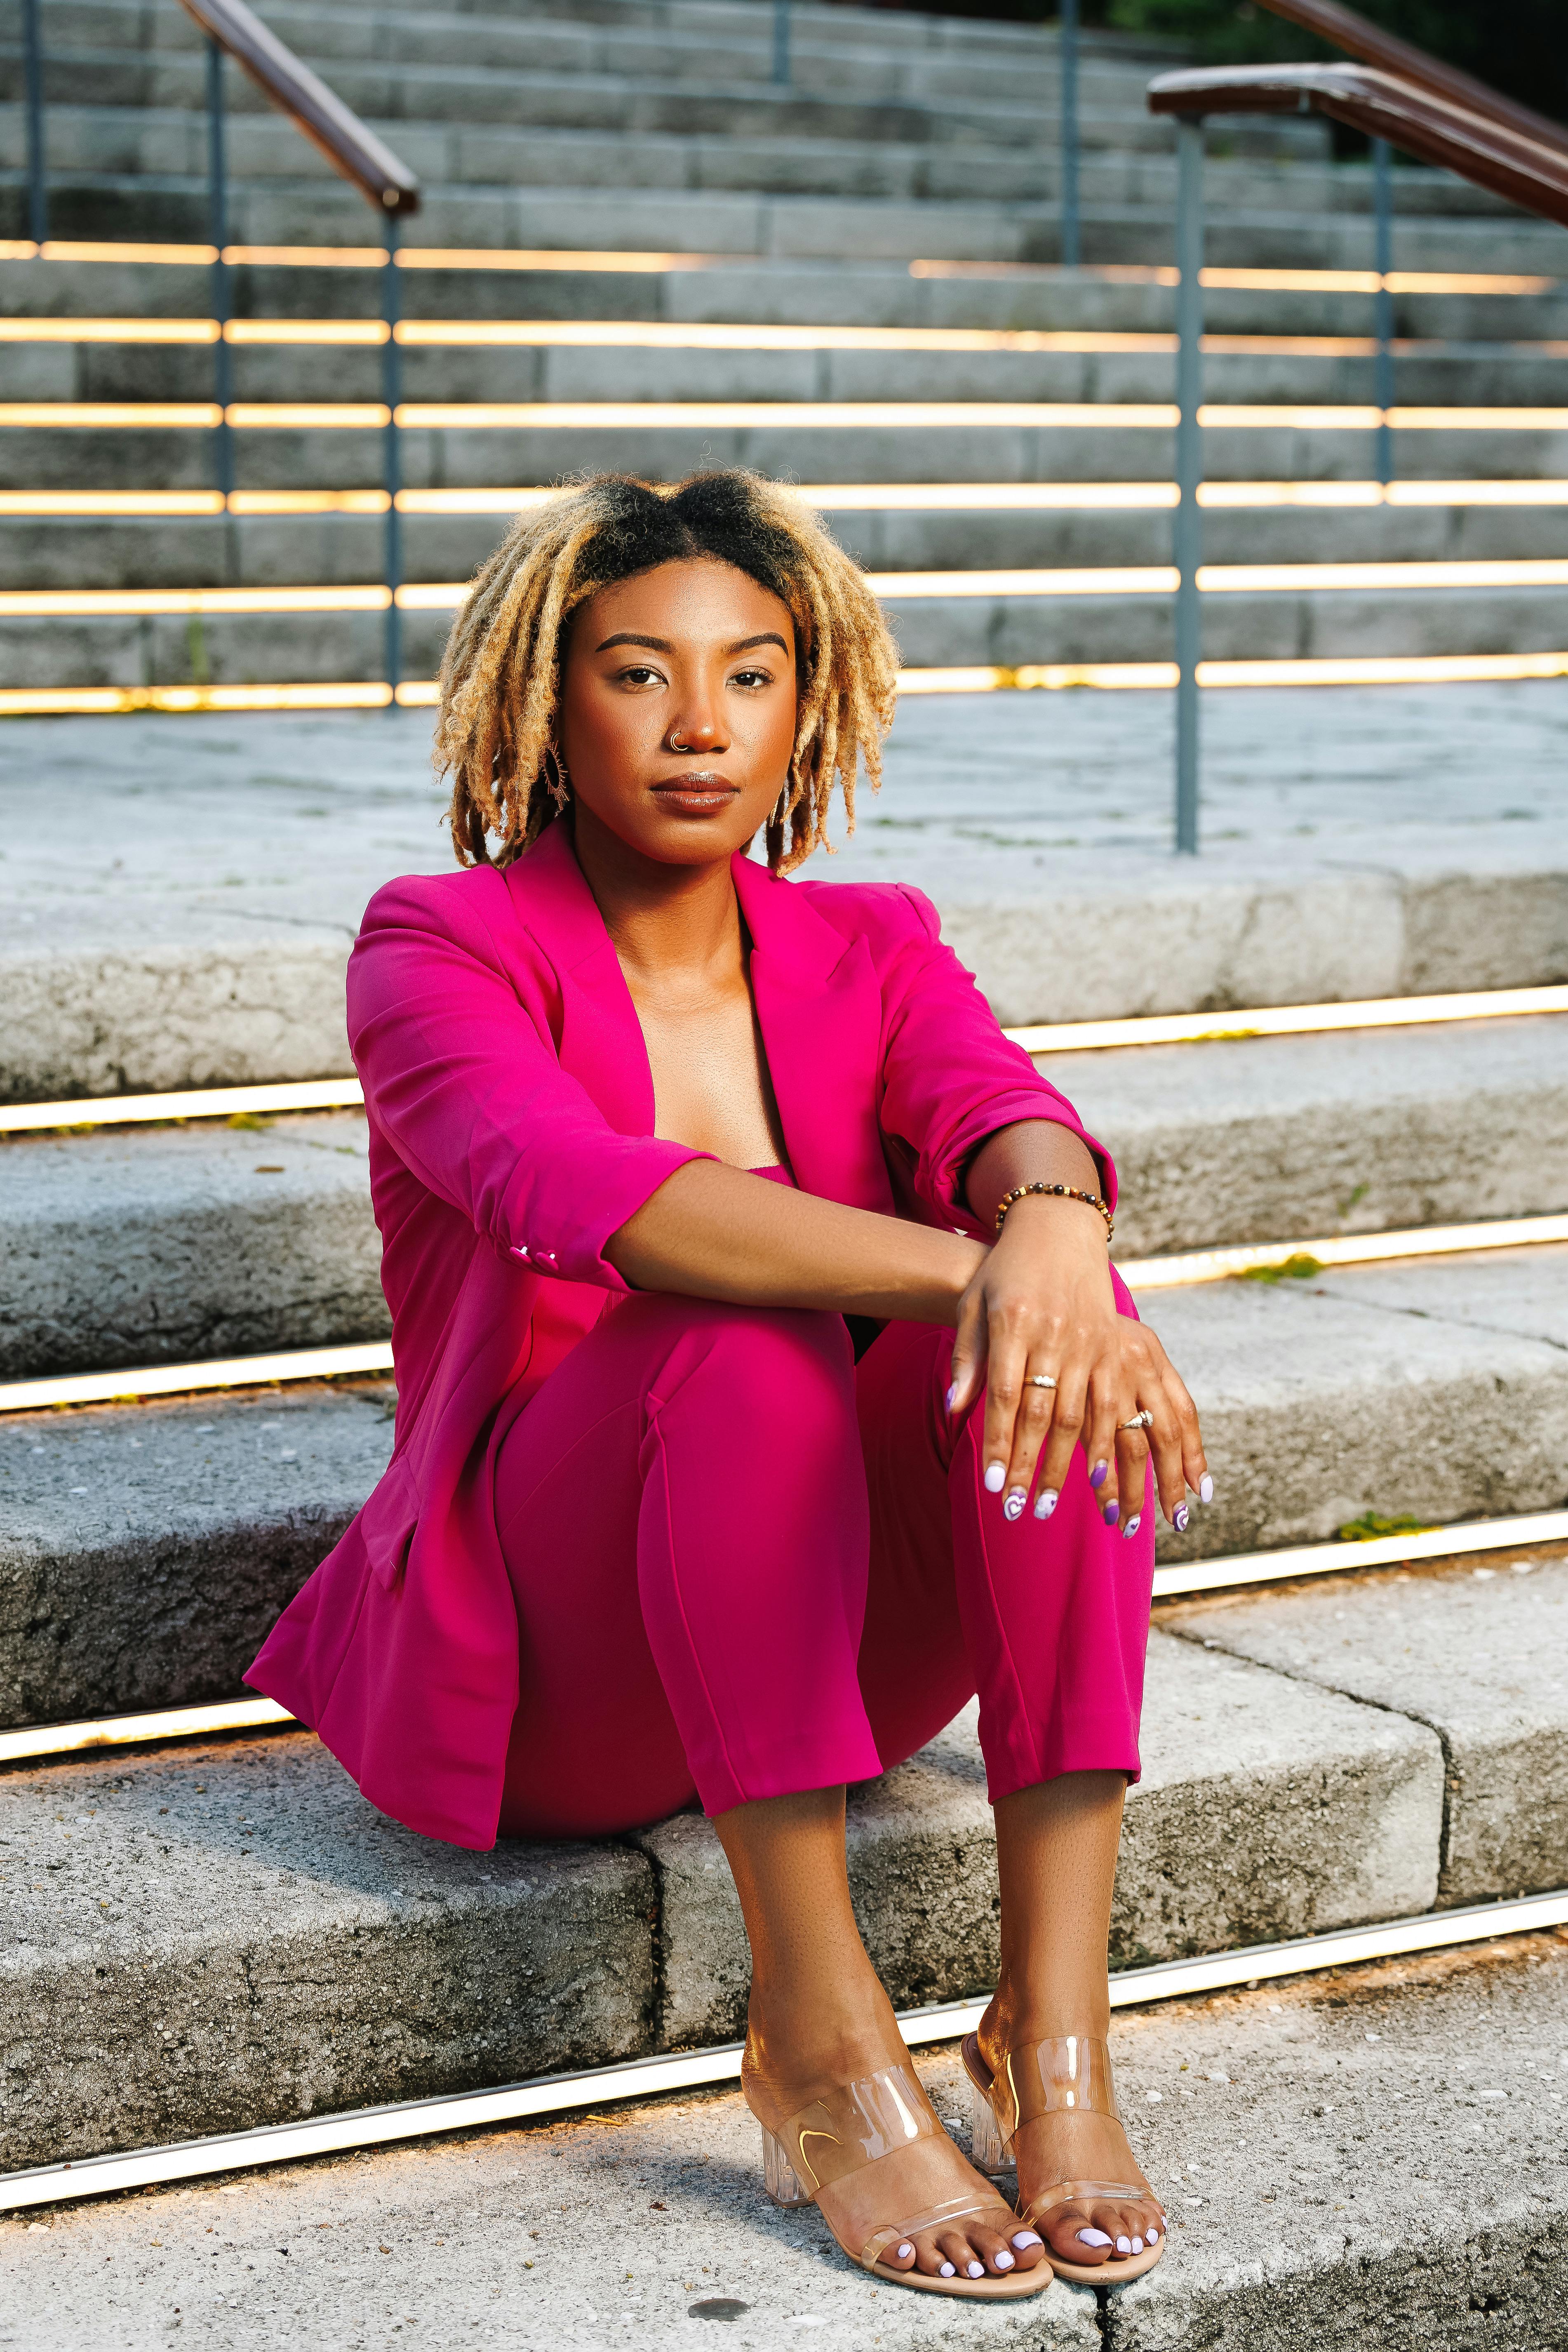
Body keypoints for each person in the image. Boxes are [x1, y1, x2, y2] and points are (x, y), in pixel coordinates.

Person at [249, 470, 1211, 2304]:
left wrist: (1062, 1229)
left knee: (1055, 1322)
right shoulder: (439, 944)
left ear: (808, 699)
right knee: (757, 1320)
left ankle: (1055, 2032)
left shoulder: (874, 939)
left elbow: (1002, 1109)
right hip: (555, 1662)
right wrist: (997, 1274)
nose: (703, 724)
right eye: (639, 673)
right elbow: (573, 1192)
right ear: (548, 699)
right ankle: (822, 2047)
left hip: (817, 1617)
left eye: (752, 674)